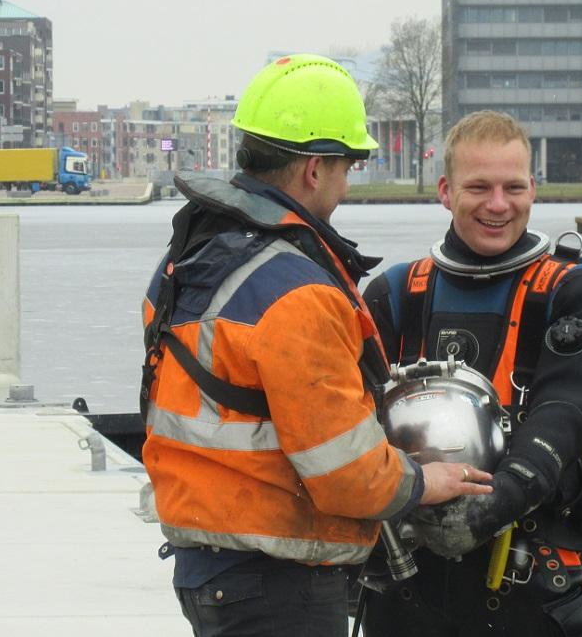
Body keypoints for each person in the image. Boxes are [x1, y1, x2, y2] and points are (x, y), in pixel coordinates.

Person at [138, 54, 493, 637]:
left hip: (206, 563)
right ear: (313, 169)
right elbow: (344, 471)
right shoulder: (298, 293)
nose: (346, 184)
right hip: (277, 581)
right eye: (346, 167)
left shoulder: (189, 259)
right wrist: (425, 481)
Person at [360, 110, 582, 637]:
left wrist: (499, 499)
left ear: (534, 188)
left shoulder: (572, 291)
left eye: (513, 187)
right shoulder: (395, 293)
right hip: (407, 574)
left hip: (532, 571)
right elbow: (348, 415)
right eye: (478, 187)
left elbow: (569, 407)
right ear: (445, 190)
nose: (498, 205)